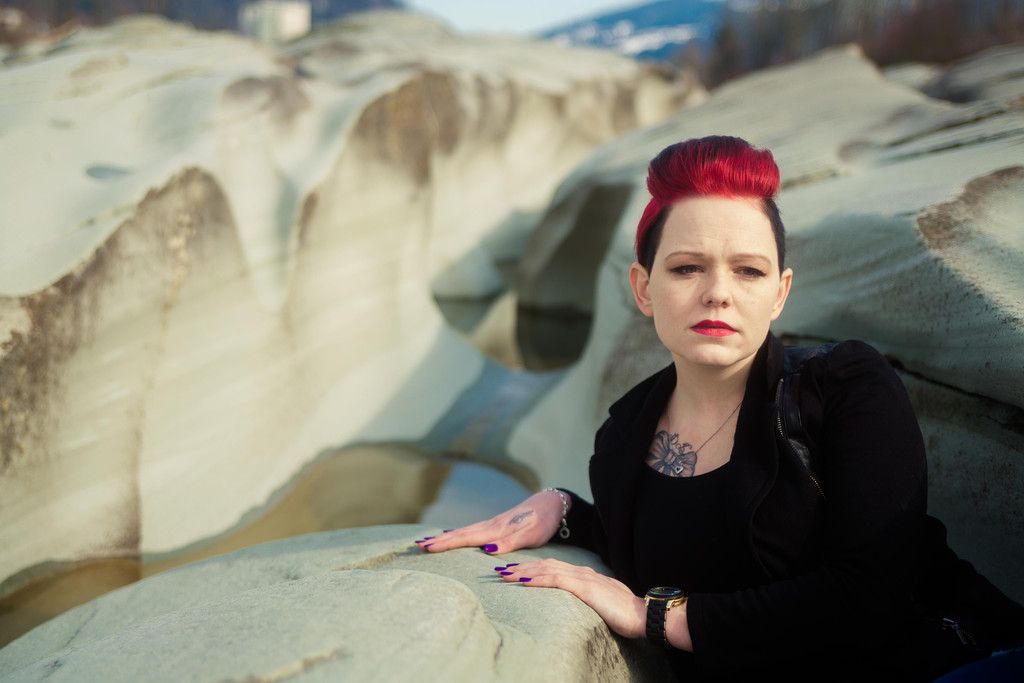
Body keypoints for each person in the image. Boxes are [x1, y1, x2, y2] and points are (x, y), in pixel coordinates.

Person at [413, 136, 1024, 680]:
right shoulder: (625, 431)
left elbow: (869, 594)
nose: (718, 293)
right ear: (643, 288)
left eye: (749, 271)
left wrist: (656, 618)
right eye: (687, 268)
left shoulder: (843, 386)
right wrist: (565, 509)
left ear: (780, 292)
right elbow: (676, 535)